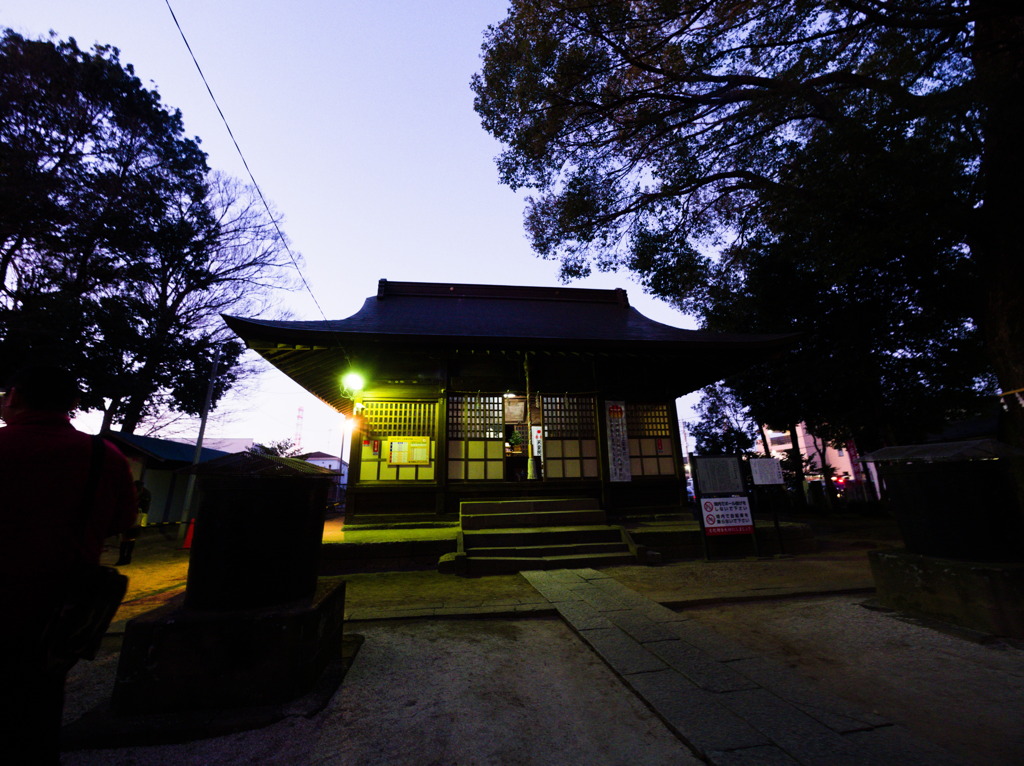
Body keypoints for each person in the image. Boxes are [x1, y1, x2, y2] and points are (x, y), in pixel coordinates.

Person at [0, 365, 137, 764]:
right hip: (61, 602)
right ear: (73, 406)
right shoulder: (102, 456)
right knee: (40, 696)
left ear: (17, 398)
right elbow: (122, 519)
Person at [115, 480, 151, 566]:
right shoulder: (143, 493)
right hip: (135, 516)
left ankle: (123, 558)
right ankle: (126, 558)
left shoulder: (141, 493)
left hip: (133, 516)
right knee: (130, 538)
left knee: (126, 538)